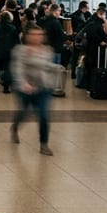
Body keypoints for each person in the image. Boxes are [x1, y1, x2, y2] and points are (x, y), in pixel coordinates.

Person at [10, 24, 63, 156]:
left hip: (42, 88)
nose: (37, 38)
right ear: (27, 36)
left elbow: (46, 66)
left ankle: (44, 144)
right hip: (25, 88)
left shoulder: (47, 50)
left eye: (40, 35)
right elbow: (18, 69)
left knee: (44, 115)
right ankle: (15, 128)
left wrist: (56, 68)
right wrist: (24, 83)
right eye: (34, 35)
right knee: (24, 112)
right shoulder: (20, 50)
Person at [0, 10, 18, 93]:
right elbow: (16, 41)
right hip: (9, 51)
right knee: (7, 69)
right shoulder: (13, 28)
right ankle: (6, 87)